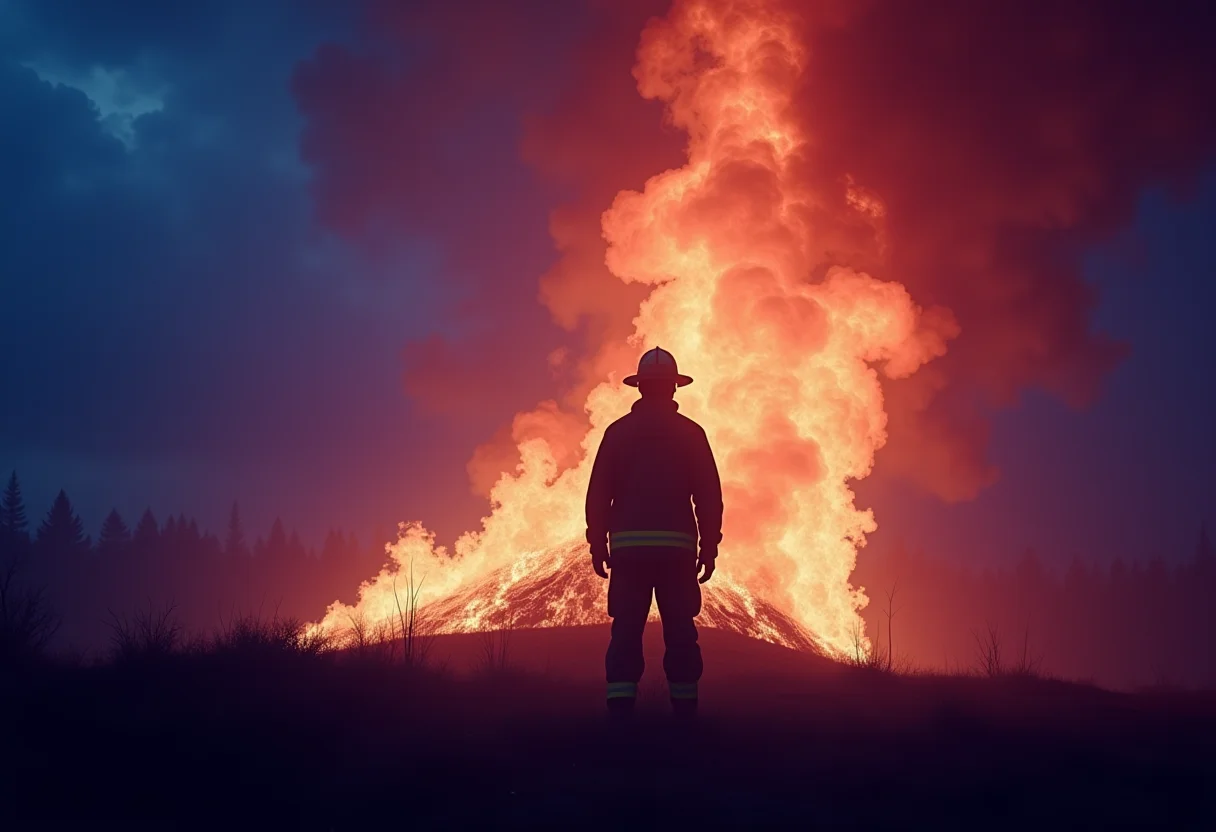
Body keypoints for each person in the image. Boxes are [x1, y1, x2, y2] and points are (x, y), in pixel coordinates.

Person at [585, 346, 723, 717]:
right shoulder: (692, 433)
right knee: (680, 634)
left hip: (628, 555)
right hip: (677, 555)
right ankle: (685, 720)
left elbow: (599, 493)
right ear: (674, 388)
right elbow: (709, 495)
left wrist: (598, 543)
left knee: (626, 634)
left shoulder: (617, 433)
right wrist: (708, 547)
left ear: (641, 387)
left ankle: (620, 723)